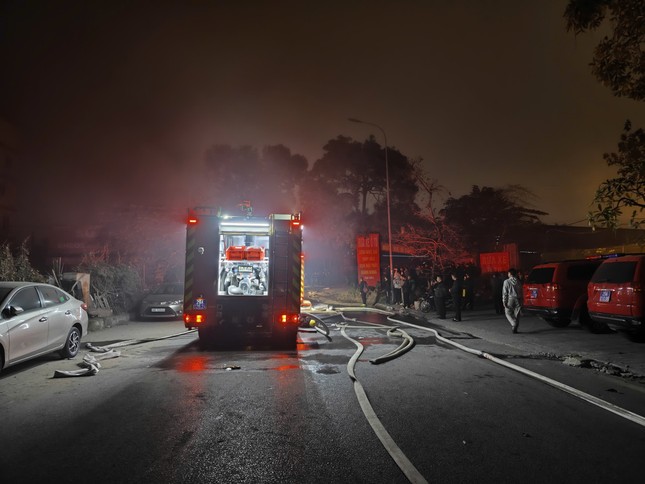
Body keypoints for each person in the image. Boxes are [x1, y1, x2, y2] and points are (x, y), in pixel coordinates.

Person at [502, 268, 523, 333]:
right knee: (517, 314)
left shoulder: (506, 281)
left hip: (510, 299)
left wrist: (504, 301)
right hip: (518, 299)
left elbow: (505, 293)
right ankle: (515, 329)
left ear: (510, 274)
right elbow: (521, 291)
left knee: (507, 313)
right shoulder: (519, 281)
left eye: (508, 273)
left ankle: (513, 323)